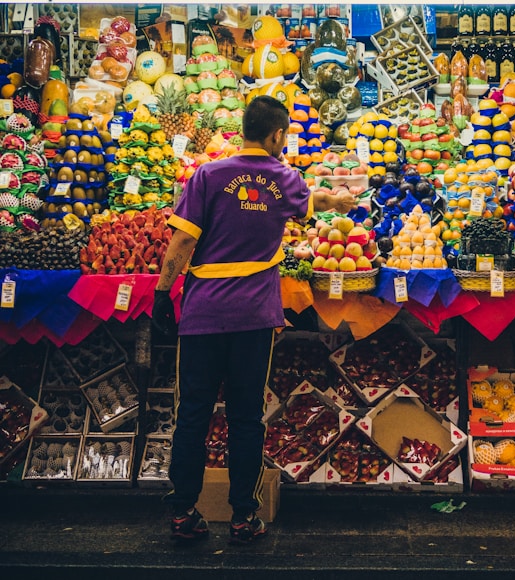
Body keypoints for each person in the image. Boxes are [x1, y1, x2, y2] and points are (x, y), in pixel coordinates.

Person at [152, 95, 358, 544]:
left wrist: (162, 294)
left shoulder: (207, 175)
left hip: (203, 313)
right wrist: (341, 202)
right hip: (253, 317)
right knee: (247, 417)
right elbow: (317, 202)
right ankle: (244, 515)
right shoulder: (285, 179)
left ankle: (184, 512)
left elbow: (181, 244)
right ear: (277, 135)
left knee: (192, 414)